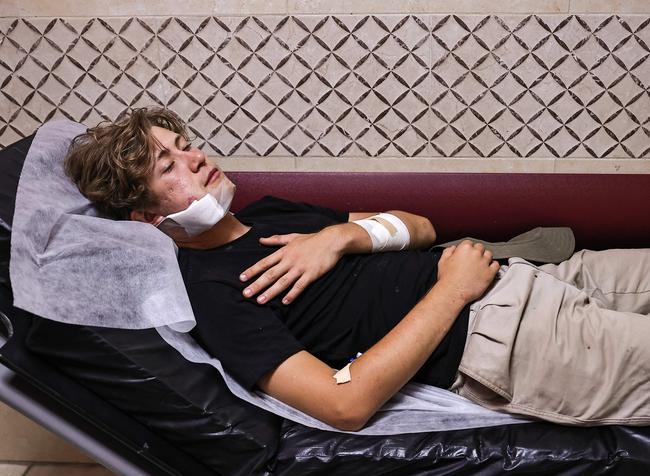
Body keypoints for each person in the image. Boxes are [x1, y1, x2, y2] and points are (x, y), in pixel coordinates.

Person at [64, 107, 650, 431]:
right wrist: (452, 290)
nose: (195, 156)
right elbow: (344, 405)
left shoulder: (270, 212)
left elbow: (417, 227)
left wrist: (341, 237)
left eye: (184, 143)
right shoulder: (211, 291)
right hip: (508, 336)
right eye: (169, 164)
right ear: (143, 217)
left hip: (530, 269)